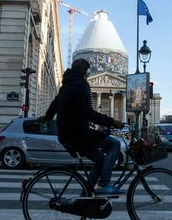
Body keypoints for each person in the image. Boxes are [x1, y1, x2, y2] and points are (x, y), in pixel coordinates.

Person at [42, 58, 125, 195]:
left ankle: (86, 195)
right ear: (85, 72)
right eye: (87, 72)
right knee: (114, 144)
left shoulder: (66, 86)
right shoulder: (81, 85)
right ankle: (104, 184)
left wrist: (46, 118)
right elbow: (87, 113)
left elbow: (53, 105)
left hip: (66, 134)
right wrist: (112, 122)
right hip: (78, 133)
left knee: (100, 160)